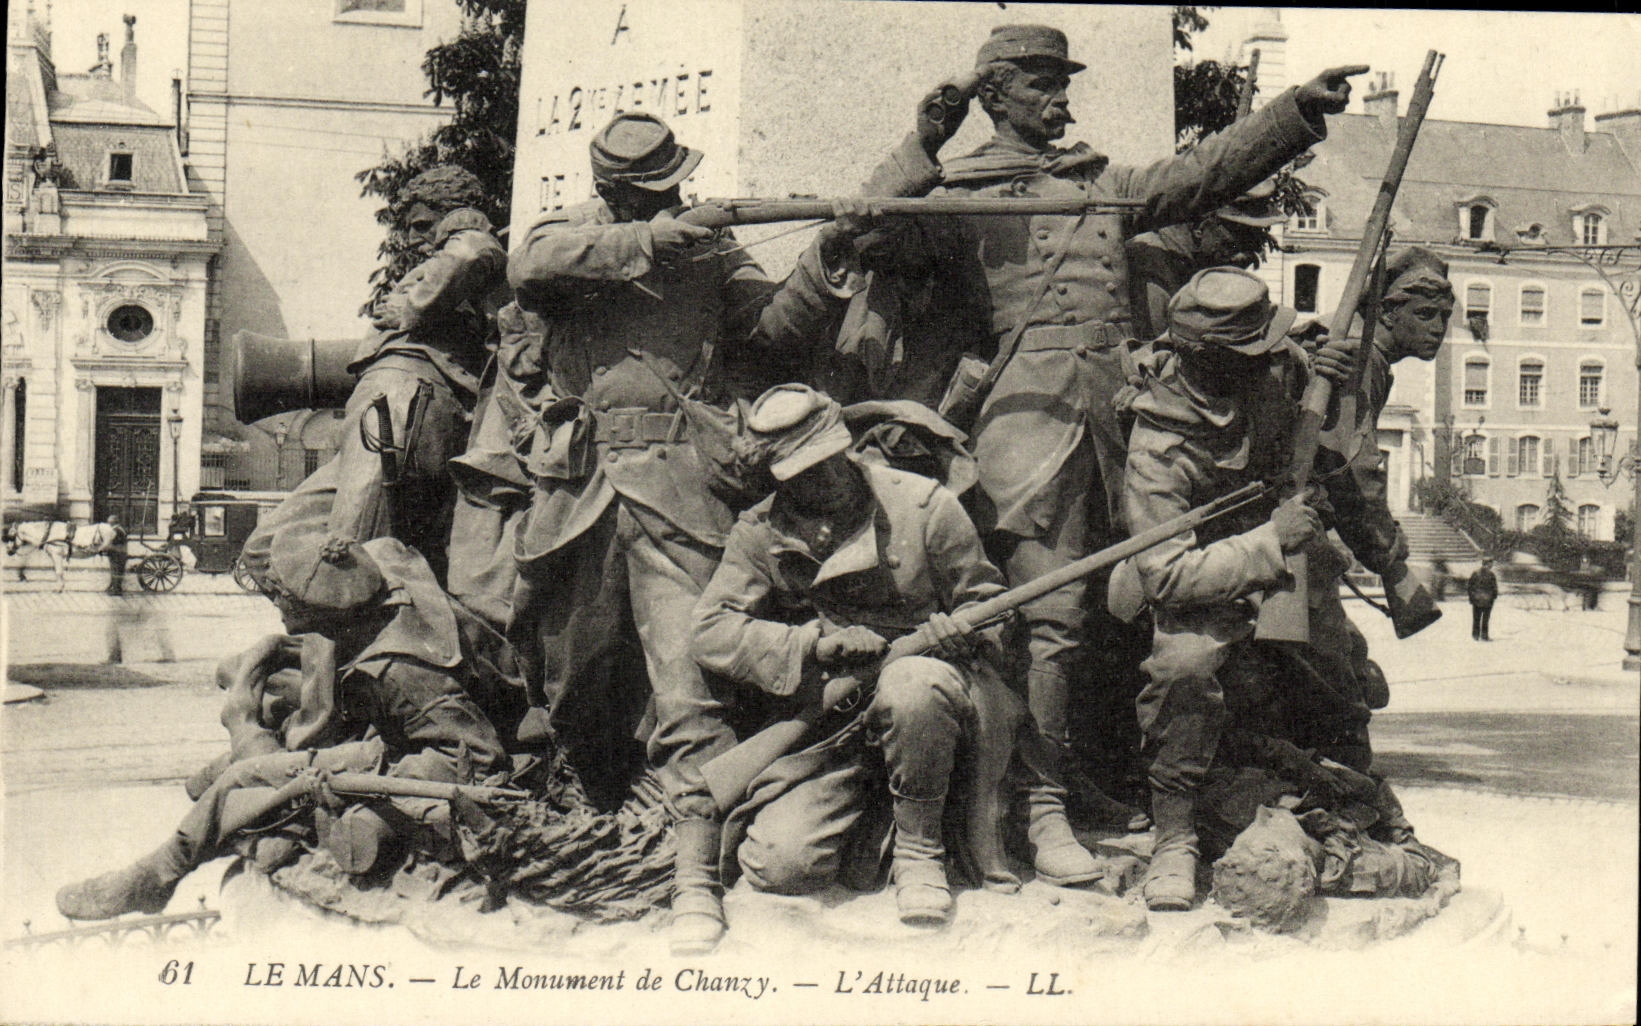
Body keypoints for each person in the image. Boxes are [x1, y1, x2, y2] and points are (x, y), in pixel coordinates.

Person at [852, 24, 1366, 874]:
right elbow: (872, 232)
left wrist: (1293, 113)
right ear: (996, 92)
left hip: (1117, 422)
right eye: (1042, 84)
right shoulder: (960, 193)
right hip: (1025, 423)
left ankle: (1095, 781)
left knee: (1122, 615)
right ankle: (1039, 809)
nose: (1061, 99)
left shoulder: (1103, 183)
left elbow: (1199, 174)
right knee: (1048, 623)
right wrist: (922, 142)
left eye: (1063, 83)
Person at [689, 385, 1024, 948]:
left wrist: (956, 633)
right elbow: (710, 630)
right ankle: (876, 824)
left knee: (911, 685)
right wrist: (812, 645)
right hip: (834, 717)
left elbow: (992, 609)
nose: (815, 481)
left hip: (937, 702)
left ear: (842, 448)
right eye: (796, 473)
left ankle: (920, 854)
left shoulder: (921, 504)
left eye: (823, 464)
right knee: (781, 867)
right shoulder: (761, 531)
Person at [56, 522, 527, 920]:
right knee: (247, 768)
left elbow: (482, 759)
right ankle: (159, 872)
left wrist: (368, 779)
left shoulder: (399, 671)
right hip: (406, 738)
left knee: (263, 786)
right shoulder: (376, 567)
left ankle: (157, 875)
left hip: (423, 760)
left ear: (318, 610)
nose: (275, 605)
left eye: (282, 598)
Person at [1111, 268, 1330, 912]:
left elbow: (1300, 363)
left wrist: (1329, 363)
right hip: (1195, 589)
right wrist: (1271, 542)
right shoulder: (1158, 444)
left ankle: (1315, 787)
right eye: (1253, 351)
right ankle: (1173, 833)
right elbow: (1169, 576)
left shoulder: (1258, 372)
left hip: (1272, 567)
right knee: (1186, 663)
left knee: (1335, 664)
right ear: (1211, 361)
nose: (1268, 359)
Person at [243, 165, 506, 586]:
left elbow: (474, 249)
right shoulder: (442, 264)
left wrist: (414, 306)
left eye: (423, 224)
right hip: (380, 410)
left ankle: (359, 647)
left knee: (350, 556)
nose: (415, 239)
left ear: (454, 213)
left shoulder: (469, 240)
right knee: (267, 547)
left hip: (401, 397)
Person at [1125, 178, 1288, 341]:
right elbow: (1155, 354)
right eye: (1239, 237)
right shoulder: (1151, 260)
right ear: (1199, 226)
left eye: (1258, 236)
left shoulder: (1204, 261)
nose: (1247, 254)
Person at [1468, 557, 1498, 640]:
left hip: (1476, 599)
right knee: (1485, 618)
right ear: (1488, 564)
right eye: (1491, 563)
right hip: (1487, 599)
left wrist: (1471, 597)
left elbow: (1470, 586)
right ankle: (1484, 636)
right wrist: (1494, 597)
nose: (1492, 565)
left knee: (1476, 618)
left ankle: (1475, 635)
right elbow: (1494, 587)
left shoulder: (1475, 573)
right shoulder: (1491, 574)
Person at [103, 513, 127, 595]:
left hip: (117, 554)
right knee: (117, 571)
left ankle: (116, 590)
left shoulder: (116, 530)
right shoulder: (119, 529)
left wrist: (106, 547)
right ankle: (115, 588)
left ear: (113, 523)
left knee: (116, 571)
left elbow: (114, 543)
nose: (108, 524)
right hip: (120, 553)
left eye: (109, 522)